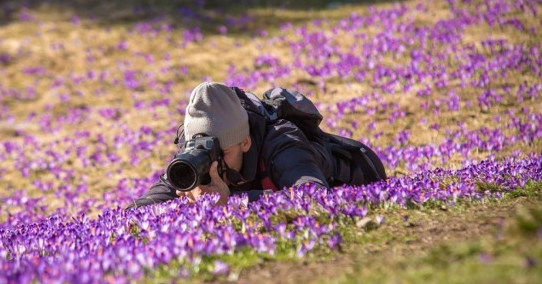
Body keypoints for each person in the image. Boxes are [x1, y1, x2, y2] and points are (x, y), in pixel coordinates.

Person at [129, 82, 385, 207]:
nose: (212, 164)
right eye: (206, 154)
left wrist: (231, 202)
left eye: (222, 152)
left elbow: (313, 198)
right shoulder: (192, 157)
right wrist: (183, 198)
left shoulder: (282, 142)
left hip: (363, 176)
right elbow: (139, 210)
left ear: (246, 141)